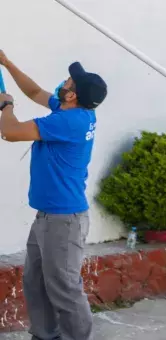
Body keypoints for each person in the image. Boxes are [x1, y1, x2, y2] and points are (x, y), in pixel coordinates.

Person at [0, 50, 107, 340]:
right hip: (49, 215)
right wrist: (7, 63)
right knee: (35, 281)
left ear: (72, 96)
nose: (64, 82)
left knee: (64, 287)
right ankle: (45, 335)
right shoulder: (72, 111)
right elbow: (34, 91)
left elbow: (9, 132)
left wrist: (5, 105)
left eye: (68, 82)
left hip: (63, 219)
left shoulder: (68, 122)